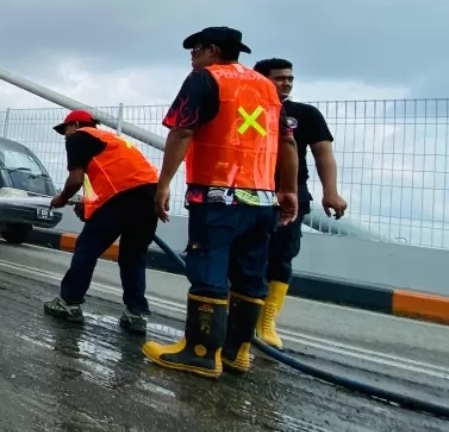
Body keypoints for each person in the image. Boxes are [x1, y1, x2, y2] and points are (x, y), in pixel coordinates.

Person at [142, 26, 299, 379]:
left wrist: (164, 183)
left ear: (212, 50)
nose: (192, 56)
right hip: (262, 200)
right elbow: (287, 144)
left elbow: (182, 131)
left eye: (195, 49)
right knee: (249, 274)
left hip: (216, 196)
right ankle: (237, 353)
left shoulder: (203, 79)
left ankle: (199, 352)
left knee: (209, 268)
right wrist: (287, 190)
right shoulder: (266, 88)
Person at [252, 58, 348, 349]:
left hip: (291, 193)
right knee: (246, 255)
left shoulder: (306, 114)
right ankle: (240, 314)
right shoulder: (247, 111)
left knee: (281, 256)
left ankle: (266, 322)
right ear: (261, 79)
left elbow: (323, 154)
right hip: (249, 189)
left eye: (290, 78)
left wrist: (331, 192)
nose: (287, 83)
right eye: (279, 78)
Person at [42, 109, 160, 335]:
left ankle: (69, 303)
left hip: (122, 198)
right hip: (149, 196)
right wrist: (87, 208)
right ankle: (135, 315)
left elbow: (76, 180)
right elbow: (109, 181)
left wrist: (62, 198)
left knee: (86, 249)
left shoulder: (79, 137)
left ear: (75, 125)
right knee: (133, 257)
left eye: (64, 130)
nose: (64, 136)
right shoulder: (111, 140)